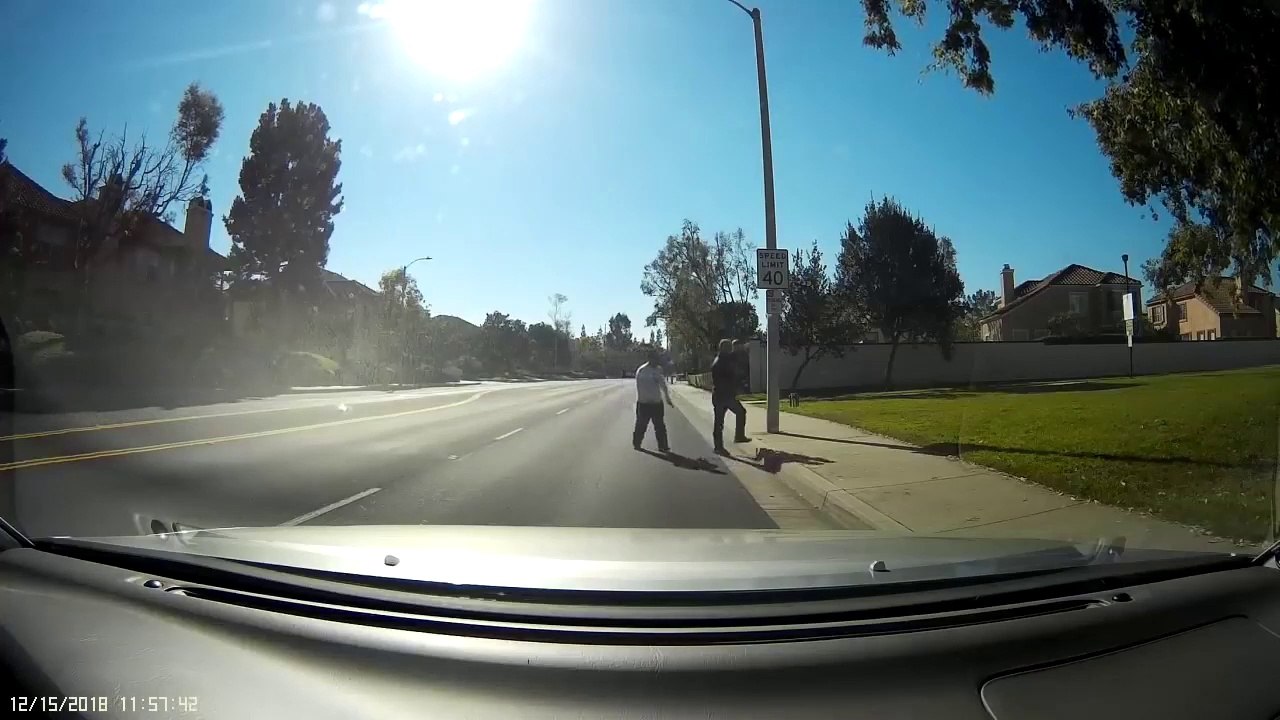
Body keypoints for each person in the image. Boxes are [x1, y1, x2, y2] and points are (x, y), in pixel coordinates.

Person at [710, 338, 749, 454]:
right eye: (730, 347)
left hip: (720, 395)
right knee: (738, 413)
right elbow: (732, 375)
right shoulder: (723, 361)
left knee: (719, 421)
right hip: (725, 395)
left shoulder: (719, 359)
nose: (732, 349)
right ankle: (736, 437)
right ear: (726, 348)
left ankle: (719, 446)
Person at [633, 348, 673, 452]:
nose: (657, 361)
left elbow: (663, 384)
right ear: (650, 359)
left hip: (654, 403)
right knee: (642, 425)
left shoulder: (656, 369)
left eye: (657, 359)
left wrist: (667, 398)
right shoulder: (642, 370)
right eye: (655, 359)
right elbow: (641, 387)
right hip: (646, 403)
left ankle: (662, 445)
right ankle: (637, 443)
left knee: (659, 426)